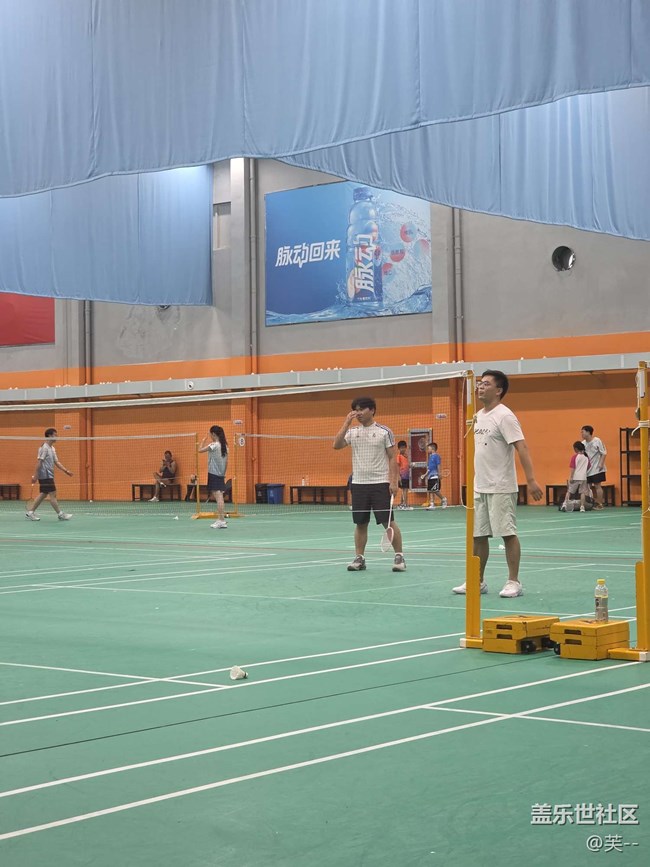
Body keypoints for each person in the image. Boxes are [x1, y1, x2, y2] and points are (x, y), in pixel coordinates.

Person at [452, 370, 542, 598]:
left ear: (499, 390)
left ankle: (514, 582)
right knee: (478, 536)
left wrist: (531, 480)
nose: (480, 387)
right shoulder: (477, 416)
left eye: (486, 384)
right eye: (479, 383)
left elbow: (522, 447)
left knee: (507, 533)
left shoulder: (505, 416)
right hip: (479, 486)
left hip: (501, 486)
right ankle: (477, 580)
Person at [333, 396, 405, 572]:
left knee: (388, 522)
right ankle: (360, 558)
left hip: (380, 484)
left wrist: (393, 482)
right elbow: (336, 445)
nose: (358, 413)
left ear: (372, 410)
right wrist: (346, 423)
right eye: (355, 410)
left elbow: (392, 458)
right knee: (360, 523)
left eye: (361, 409)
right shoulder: (353, 432)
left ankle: (399, 557)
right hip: (359, 484)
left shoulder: (384, 432)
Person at [26, 428, 73, 521]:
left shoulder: (52, 448)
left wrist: (66, 471)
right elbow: (39, 462)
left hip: (49, 475)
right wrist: (35, 476)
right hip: (45, 475)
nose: (57, 437)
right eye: (55, 435)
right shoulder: (44, 448)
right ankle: (60, 514)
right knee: (53, 494)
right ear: (49, 436)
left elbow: (56, 462)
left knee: (43, 494)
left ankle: (30, 512)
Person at [198, 425, 229, 529]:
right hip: (221, 474)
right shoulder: (225, 446)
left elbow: (200, 450)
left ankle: (221, 520)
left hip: (214, 474)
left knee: (219, 497)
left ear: (213, 434)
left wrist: (203, 440)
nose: (210, 436)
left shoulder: (214, 445)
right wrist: (223, 473)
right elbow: (227, 462)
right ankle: (221, 520)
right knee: (219, 497)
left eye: (210, 434)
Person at [581, 425, 607, 509]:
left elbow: (603, 453)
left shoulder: (597, 440)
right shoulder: (583, 443)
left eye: (583, 432)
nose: (582, 434)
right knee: (587, 487)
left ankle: (600, 504)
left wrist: (601, 463)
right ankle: (588, 504)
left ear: (588, 432)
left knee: (597, 486)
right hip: (588, 469)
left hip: (597, 468)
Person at [561, 441, 591, 512]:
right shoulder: (586, 458)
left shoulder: (574, 457)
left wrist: (571, 477)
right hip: (583, 477)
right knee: (582, 493)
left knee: (569, 491)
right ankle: (582, 507)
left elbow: (573, 468)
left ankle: (565, 504)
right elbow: (588, 467)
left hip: (575, 477)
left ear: (576, 449)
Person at [423, 442, 448, 510]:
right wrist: (425, 475)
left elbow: (438, 465)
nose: (427, 450)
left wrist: (439, 473)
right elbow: (429, 468)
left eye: (428, 448)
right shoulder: (430, 457)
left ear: (433, 449)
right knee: (430, 490)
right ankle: (432, 504)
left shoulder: (437, 456)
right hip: (430, 476)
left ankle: (443, 499)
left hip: (435, 476)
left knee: (435, 490)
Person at [396, 440, 413, 510]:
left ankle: (402, 504)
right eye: (401, 448)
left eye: (404, 447)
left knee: (404, 490)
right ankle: (405, 504)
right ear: (398, 449)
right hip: (402, 476)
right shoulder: (399, 456)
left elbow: (407, 465)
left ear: (406, 448)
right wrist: (398, 476)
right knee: (405, 490)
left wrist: (410, 465)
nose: (402, 449)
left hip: (406, 476)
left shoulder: (406, 456)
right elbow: (397, 466)